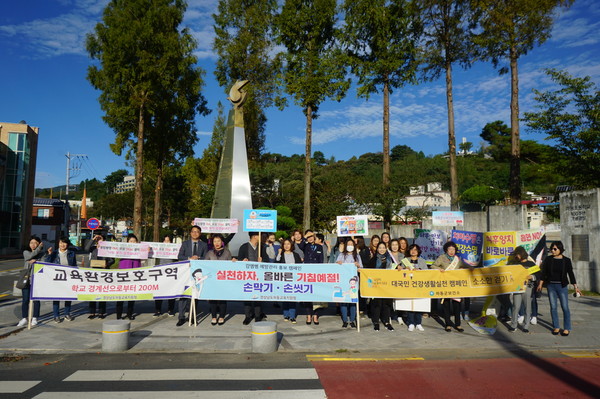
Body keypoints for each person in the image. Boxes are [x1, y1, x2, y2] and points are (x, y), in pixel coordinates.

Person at [538, 241, 582, 336]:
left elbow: (570, 274)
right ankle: (556, 327)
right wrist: (540, 284)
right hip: (551, 286)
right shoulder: (548, 259)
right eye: (551, 249)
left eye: (555, 249)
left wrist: (576, 287)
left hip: (562, 286)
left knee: (565, 307)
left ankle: (567, 328)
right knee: (553, 307)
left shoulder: (566, 260)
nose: (553, 251)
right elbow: (544, 273)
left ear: (560, 249)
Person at [431, 241, 469, 332]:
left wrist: (463, 268)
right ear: (446, 250)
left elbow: (465, 267)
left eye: (453, 249)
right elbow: (432, 266)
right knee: (446, 304)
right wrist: (439, 269)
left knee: (457, 305)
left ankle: (458, 324)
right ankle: (448, 324)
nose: (451, 251)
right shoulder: (442, 257)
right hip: (445, 284)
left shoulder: (457, 259)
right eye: (449, 249)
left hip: (455, 285)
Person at [176, 225, 208, 326]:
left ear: (200, 233)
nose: (195, 233)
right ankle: (181, 317)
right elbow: (180, 256)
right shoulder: (185, 244)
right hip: (185, 272)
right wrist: (190, 258)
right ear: (190, 233)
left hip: (197, 274)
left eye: (197, 232)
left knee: (195, 295)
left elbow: (207, 258)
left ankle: (192, 316)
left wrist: (198, 259)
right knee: (183, 294)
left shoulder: (204, 245)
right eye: (193, 231)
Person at [508, 246, 540, 333]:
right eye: (515, 254)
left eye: (517, 254)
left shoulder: (531, 264)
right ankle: (513, 325)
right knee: (516, 306)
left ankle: (526, 326)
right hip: (517, 288)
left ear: (522, 254)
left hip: (528, 287)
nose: (516, 256)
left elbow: (539, 274)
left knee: (527, 306)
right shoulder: (514, 264)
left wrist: (532, 277)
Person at [44, 237, 77, 322]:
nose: (62, 245)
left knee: (68, 296)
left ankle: (67, 313)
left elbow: (74, 265)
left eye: (64, 243)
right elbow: (47, 263)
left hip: (68, 278)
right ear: (58, 244)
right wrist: (50, 254)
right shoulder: (54, 253)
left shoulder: (71, 253)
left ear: (67, 244)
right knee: (56, 296)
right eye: (60, 243)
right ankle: (56, 315)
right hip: (57, 279)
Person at [236, 232, 266, 325]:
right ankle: (248, 315)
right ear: (255, 236)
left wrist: (262, 261)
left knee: (258, 295)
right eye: (260, 235)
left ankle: (257, 315)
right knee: (247, 295)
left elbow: (267, 260)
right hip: (247, 275)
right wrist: (242, 261)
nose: (261, 237)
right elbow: (239, 259)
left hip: (258, 275)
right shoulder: (244, 247)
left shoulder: (261, 247)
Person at [84, 233, 115, 319]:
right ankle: (92, 312)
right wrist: (93, 239)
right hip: (93, 273)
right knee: (93, 293)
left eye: (101, 240)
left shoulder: (107, 250)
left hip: (104, 273)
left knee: (102, 292)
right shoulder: (93, 248)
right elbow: (86, 248)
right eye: (98, 240)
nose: (99, 241)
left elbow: (112, 260)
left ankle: (101, 312)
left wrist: (107, 264)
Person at [204, 234, 232, 325]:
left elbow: (230, 265)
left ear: (222, 242)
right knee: (213, 299)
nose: (217, 243)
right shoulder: (209, 253)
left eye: (218, 241)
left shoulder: (227, 252)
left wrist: (233, 261)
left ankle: (222, 316)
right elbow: (204, 264)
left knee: (222, 298)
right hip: (212, 279)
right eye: (215, 241)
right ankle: (213, 316)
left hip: (223, 279)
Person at [367, 242, 395, 331]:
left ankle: (386, 321)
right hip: (376, 285)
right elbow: (368, 271)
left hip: (387, 285)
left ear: (386, 249)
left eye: (383, 247)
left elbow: (396, 269)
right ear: (377, 249)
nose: (382, 249)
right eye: (380, 247)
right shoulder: (373, 259)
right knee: (376, 304)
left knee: (387, 304)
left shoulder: (391, 259)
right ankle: (376, 322)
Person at [17, 236, 44, 327]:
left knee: (36, 300)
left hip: (37, 280)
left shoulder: (42, 254)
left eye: (36, 243)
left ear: (39, 244)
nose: (33, 244)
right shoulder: (26, 252)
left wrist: (36, 260)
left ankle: (35, 317)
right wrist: (37, 255)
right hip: (26, 280)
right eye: (31, 243)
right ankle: (24, 318)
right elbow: (29, 256)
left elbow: (44, 263)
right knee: (25, 300)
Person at [336, 239, 363, 328]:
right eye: (348, 244)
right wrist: (338, 263)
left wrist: (358, 265)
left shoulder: (357, 256)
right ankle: (344, 320)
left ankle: (352, 320)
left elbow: (361, 268)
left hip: (353, 282)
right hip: (343, 281)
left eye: (351, 244)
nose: (350, 245)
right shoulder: (341, 255)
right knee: (343, 301)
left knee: (352, 301)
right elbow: (335, 266)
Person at [116, 234, 142, 320]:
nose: (132, 243)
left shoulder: (139, 251)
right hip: (123, 275)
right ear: (127, 242)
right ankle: (119, 315)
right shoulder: (123, 250)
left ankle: (129, 314)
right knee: (121, 296)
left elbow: (145, 256)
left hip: (134, 275)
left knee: (131, 296)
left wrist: (147, 250)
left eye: (134, 241)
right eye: (131, 241)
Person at [276, 238, 302, 323]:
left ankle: (292, 316)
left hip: (293, 279)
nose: (286, 246)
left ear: (291, 245)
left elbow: (300, 267)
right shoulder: (281, 254)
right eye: (285, 244)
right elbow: (276, 263)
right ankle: (286, 315)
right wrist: (279, 253)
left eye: (288, 244)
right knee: (285, 298)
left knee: (292, 298)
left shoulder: (296, 255)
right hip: (284, 279)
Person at [153, 234, 177, 317]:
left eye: (168, 241)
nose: (166, 242)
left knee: (171, 291)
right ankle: (158, 310)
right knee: (159, 292)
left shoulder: (175, 250)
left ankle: (171, 310)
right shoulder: (158, 249)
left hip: (171, 273)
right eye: (165, 241)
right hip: (160, 273)